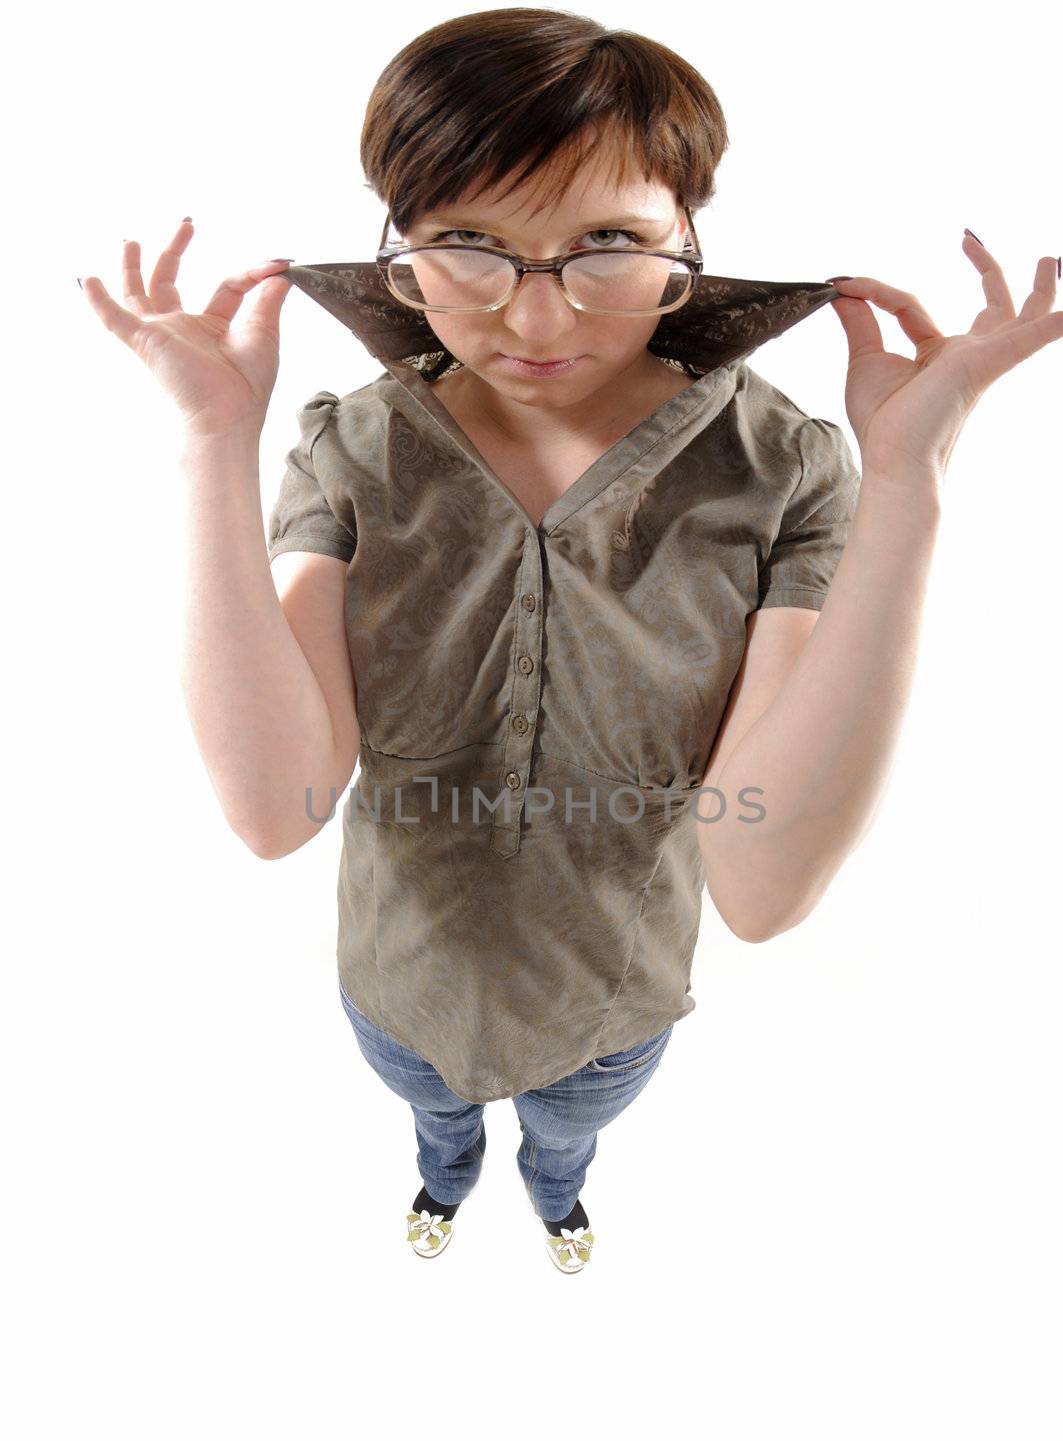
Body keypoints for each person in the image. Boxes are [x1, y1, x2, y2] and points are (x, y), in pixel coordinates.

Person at [80, 8, 1062, 1276]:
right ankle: (441, 1181)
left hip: (610, 1003)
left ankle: (557, 1195)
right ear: (402, 242)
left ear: (686, 240)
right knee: (433, 1119)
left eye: (605, 245)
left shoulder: (779, 468)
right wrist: (215, 442)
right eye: (469, 248)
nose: (537, 322)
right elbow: (277, 809)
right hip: (400, 981)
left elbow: (760, 892)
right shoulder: (355, 446)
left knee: (566, 1136)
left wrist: (908, 480)